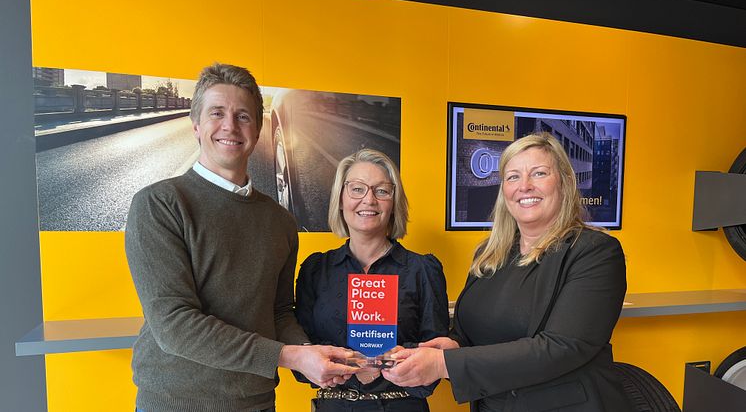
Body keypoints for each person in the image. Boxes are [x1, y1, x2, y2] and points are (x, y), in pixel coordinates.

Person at [125, 62, 355, 412]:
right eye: (217, 113)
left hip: (258, 402)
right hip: (176, 403)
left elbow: (278, 313)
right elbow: (174, 324)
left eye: (243, 116)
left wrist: (310, 356)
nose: (230, 126)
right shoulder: (159, 204)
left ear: (258, 130)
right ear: (197, 126)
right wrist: (289, 356)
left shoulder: (280, 221)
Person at [383, 132, 632, 412]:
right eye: (513, 177)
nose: (524, 186)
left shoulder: (594, 251)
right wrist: (453, 346)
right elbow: (475, 333)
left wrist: (445, 365)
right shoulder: (490, 255)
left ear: (564, 182)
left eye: (539, 173)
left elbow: (562, 346)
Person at [294, 148, 450, 411]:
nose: (369, 199)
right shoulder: (315, 269)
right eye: (357, 189)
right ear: (341, 200)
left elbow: (435, 358)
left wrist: (387, 360)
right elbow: (302, 361)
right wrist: (340, 361)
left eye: (381, 191)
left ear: (393, 203)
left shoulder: (423, 269)